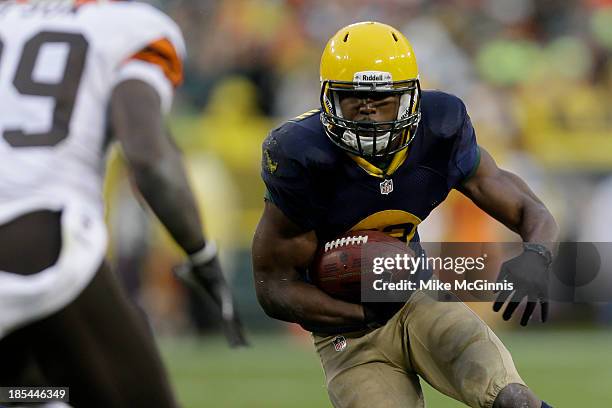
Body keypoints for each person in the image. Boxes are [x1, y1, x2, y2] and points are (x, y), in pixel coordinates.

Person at [253, 22, 558, 408]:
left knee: (512, 400)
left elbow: (528, 207)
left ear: (411, 98)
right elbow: (272, 286)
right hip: (347, 333)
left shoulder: (440, 127)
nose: (368, 113)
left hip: (417, 296)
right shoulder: (300, 154)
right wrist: (362, 310)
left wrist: (537, 255)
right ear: (328, 99)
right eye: (353, 99)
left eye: (382, 99)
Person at [0, 1, 246, 407]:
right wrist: (200, 254)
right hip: (41, 240)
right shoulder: (131, 27)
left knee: (31, 390)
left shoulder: (7, 19)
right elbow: (149, 159)